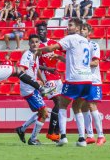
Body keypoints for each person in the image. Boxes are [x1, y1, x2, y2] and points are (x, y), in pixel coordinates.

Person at [35, 18, 92, 147]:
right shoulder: (85, 41)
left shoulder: (70, 38)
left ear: (77, 28)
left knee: (61, 104)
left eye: (70, 25)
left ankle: (63, 137)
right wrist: (59, 57)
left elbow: (51, 47)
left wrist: (39, 50)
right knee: (77, 107)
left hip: (74, 79)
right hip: (87, 79)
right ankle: (82, 139)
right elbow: (74, 59)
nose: (68, 27)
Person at [15, 35, 48, 145]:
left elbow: (36, 68)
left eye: (36, 42)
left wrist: (42, 80)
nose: (34, 44)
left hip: (33, 87)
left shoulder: (36, 55)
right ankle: (33, 139)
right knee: (44, 114)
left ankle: (22, 129)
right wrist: (33, 82)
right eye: (32, 42)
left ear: (39, 43)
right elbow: (21, 71)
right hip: (28, 89)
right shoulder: (27, 55)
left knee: (41, 113)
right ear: (29, 44)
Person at [36, 22, 63, 142]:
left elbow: (59, 55)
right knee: (58, 101)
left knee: (61, 103)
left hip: (56, 75)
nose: (41, 32)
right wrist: (47, 69)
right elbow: (36, 65)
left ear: (46, 30)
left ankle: (55, 132)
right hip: (47, 76)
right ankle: (52, 132)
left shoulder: (53, 43)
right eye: (39, 30)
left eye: (43, 30)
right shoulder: (37, 46)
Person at [80, 24, 106, 146]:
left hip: (93, 80)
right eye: (81, 29)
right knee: (83, 107)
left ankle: (101, 135)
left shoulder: (94, 45)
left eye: (84, 29)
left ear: (89, 31)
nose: (81, 31)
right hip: (83, 79)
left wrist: (80, 64)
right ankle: (90, 135)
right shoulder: (79, 46)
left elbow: (95, 63)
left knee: (91, 105)